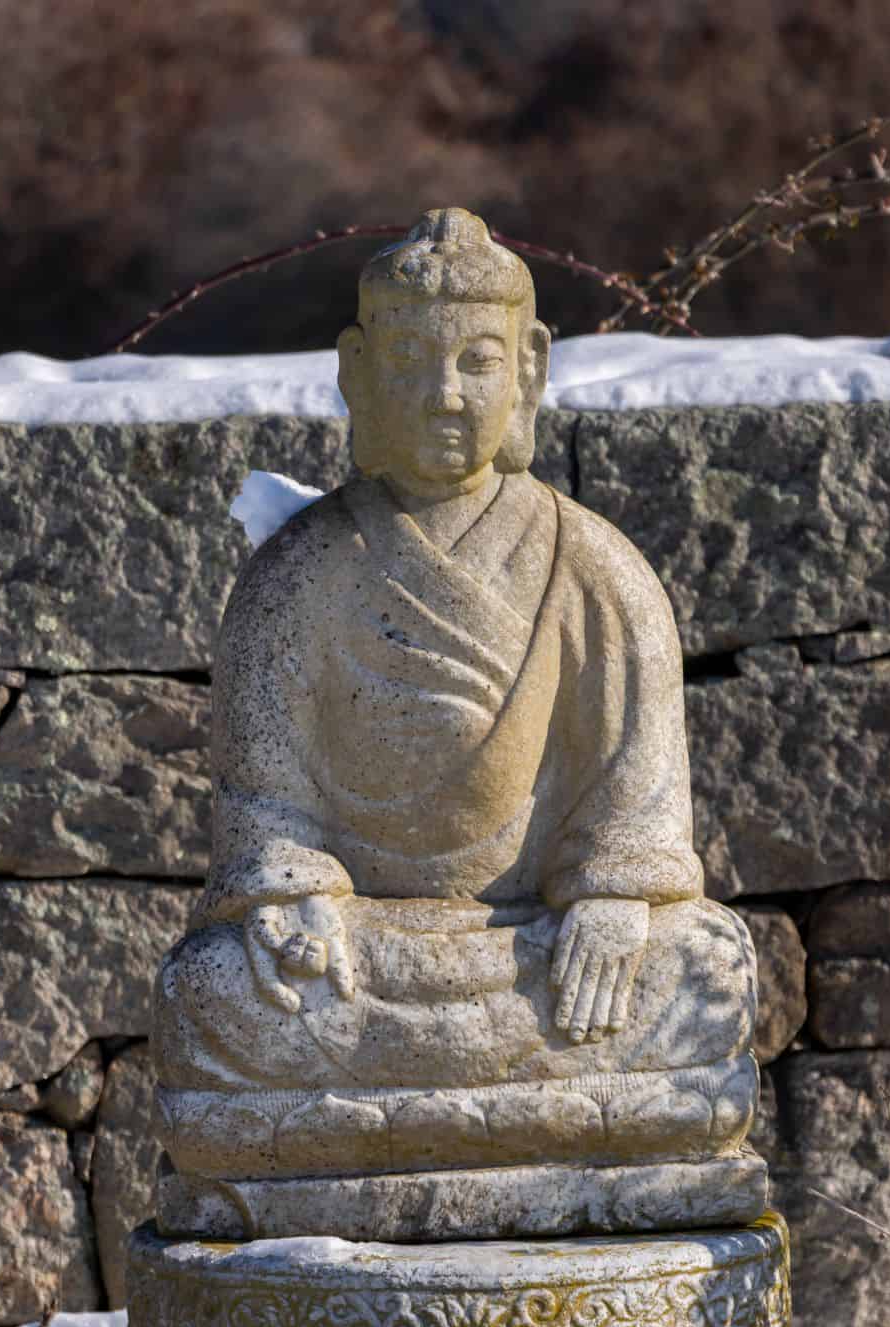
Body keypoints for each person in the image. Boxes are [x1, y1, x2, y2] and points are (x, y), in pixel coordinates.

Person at [152, 209, 757, 1187]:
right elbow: (263, 800)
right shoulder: (297, 574)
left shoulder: (594, 567)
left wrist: (612, 896)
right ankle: (555, 1120)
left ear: (531, 368)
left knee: (696, 969)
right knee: (214, 995)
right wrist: (288, 894)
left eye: (478, 363)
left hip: (538, 951)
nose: (444, 395)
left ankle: (370, 1126)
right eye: (411, 364)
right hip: (373, 954)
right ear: (356, 373)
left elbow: (637, 791)